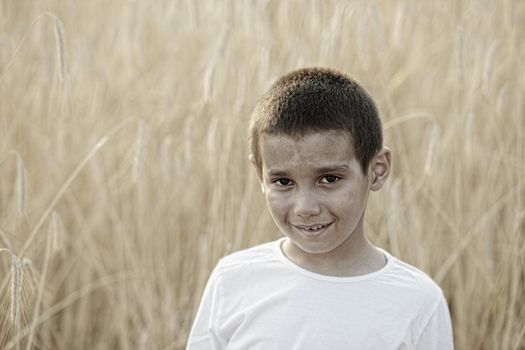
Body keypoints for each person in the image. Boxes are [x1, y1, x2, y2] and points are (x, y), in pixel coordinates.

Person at [186, 67, 454, 349]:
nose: (305, 207)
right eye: (283, 181)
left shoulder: (418, 303)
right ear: (259, 174)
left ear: (377, 171)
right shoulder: (232, 281)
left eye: (329, 179)